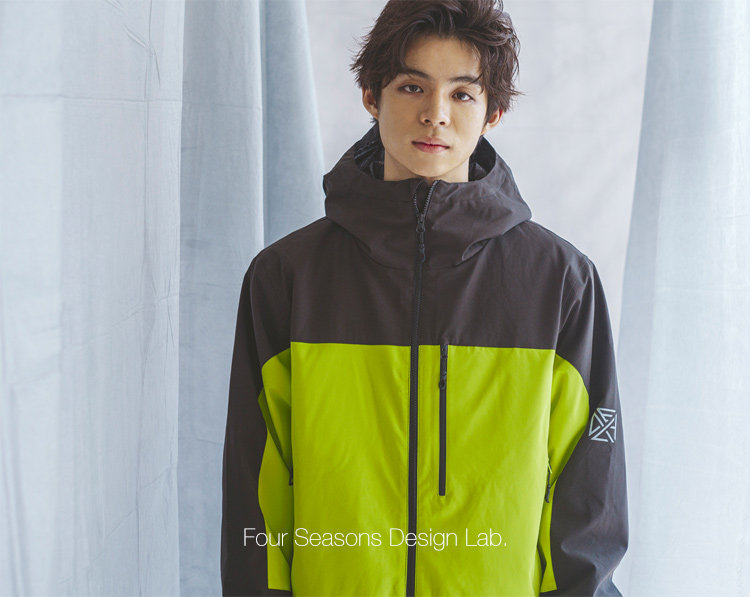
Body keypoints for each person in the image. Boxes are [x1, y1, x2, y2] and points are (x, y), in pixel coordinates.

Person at [221, 0, 628, 595]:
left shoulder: (559, 282)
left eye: (462, 93)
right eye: (412, 86)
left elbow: (587, 508)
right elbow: (256, 497)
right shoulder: (287, 277)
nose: (435, 114)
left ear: (493, 112)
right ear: (371, 95)